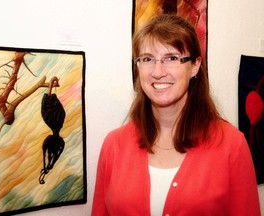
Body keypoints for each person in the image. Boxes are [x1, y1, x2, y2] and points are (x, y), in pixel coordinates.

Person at [92, 14, 261, 216]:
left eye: (171, 58)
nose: (157, 71)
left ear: (195, 66)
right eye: (147, 59)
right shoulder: (114, 145)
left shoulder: (232, 145)